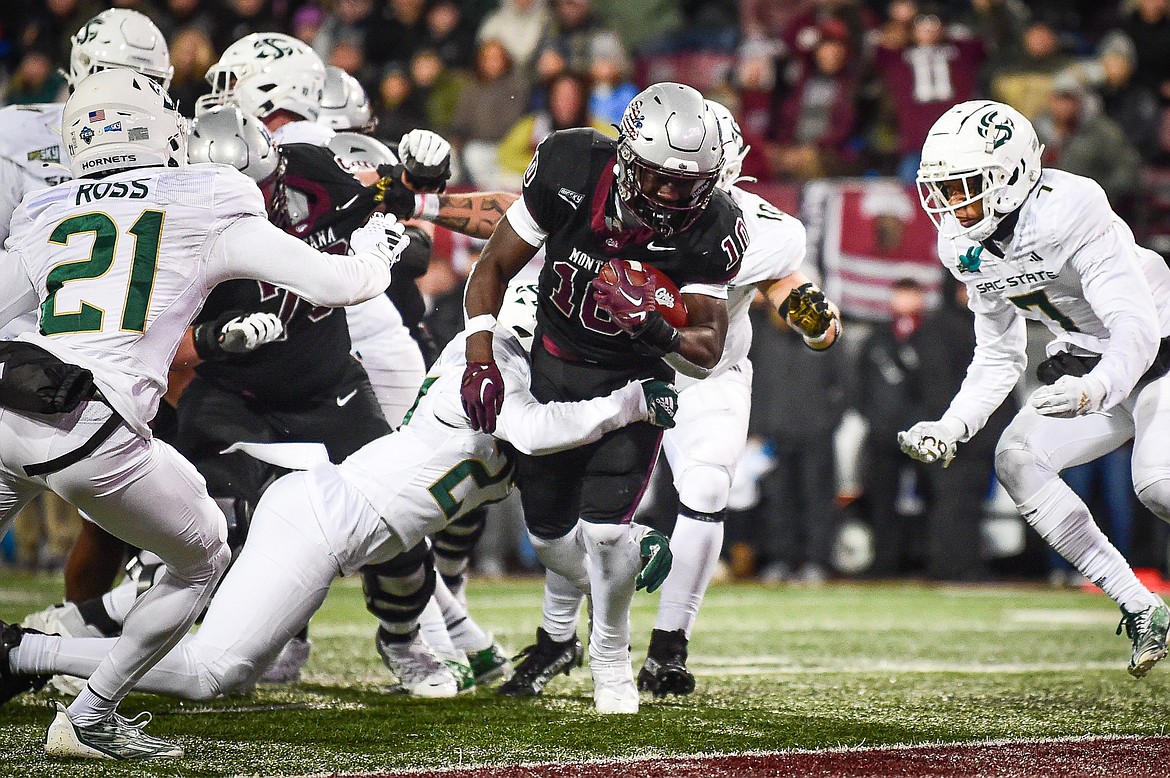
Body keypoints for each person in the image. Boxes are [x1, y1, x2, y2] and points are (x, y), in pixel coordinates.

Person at [0, 283, 675, 706]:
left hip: (332, 525)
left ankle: (39, 648)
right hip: (319, 522)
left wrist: (631, 539)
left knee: (224, 664)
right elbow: (532, 425)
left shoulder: (532, 399)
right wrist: (631, 403)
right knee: (213, 673)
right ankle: (25, 652)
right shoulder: (488, 369)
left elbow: (557, 542)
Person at [0, 67, 406, 759]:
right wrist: (376, 251)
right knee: (203, 555)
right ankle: (91, 715)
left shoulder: (43, 209)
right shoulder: (206, 192)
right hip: (94, 427)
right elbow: (336, 283)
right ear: (155, 124)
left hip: (10, 408)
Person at [461, 82, 744, 713]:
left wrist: (652, 325)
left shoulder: (715, 221)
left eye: (687, 182)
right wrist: (479, 357)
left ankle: (610, 657)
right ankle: (617, 578)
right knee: (550, 537)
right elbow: (493, 266)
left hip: (634, 387)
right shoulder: (570, 164)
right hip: (555, 373)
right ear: (626, 157)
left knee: (607, 535)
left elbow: (707, 346)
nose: (673, 195)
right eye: (660, 178)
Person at [900, 99, 1170, 678]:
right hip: (1089, 361)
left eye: (965, 186)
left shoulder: (1071, 209)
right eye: (942, 189)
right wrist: (953, 425)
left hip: (1159, 352)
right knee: (1018, 460)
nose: (950, 204)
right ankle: (1142, 605)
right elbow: (999, 353)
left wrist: (1092, 391)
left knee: (1157, 485)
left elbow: (1137, 328)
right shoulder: (963, 245)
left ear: (1013, 174)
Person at [0, 8, 173, 607]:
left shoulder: (169, 143)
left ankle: (82, 631)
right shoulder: (15, 137)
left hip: (104, 361)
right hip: (29, 358)